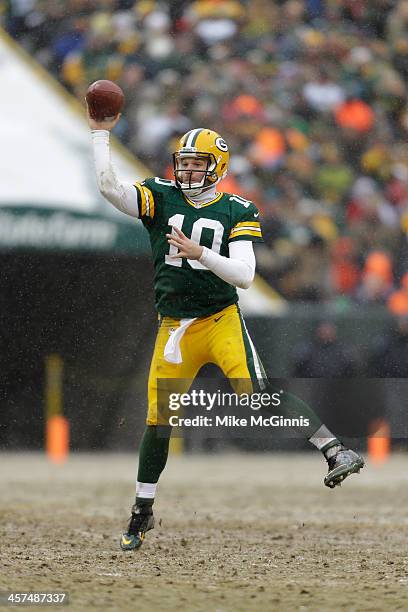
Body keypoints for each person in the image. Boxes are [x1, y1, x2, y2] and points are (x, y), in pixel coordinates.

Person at [88, 111, 364, 552]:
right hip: (175, 325)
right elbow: (108, 188)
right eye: (184, 161)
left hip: (219, 318)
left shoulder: (237, 209)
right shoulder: (160, 196)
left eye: (198, 163)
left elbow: (245, 275)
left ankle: (335, 450)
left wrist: (201, 254)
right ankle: (142, 511)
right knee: (159, 421)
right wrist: (100, 133)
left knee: (256, 394)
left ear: (217, 166)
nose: (188, 169)